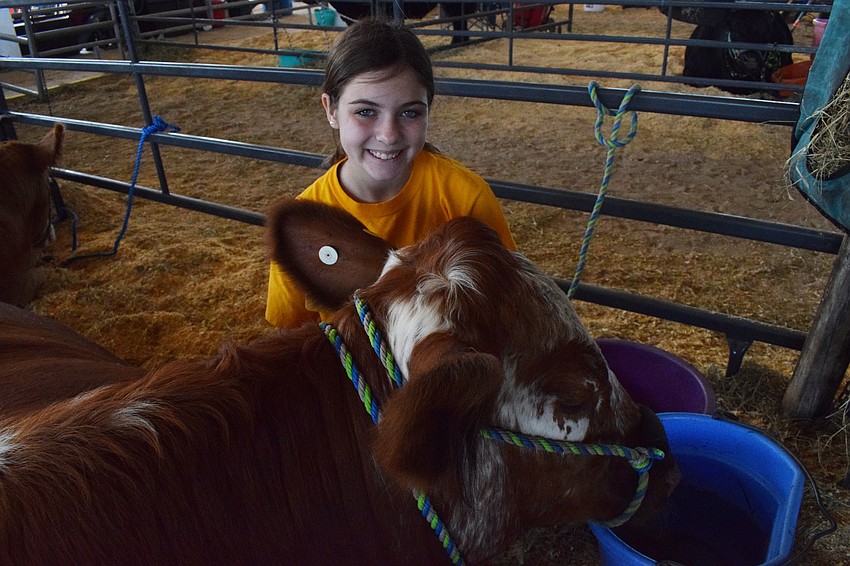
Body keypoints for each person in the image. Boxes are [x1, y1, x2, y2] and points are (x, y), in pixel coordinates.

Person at [266, 18, 516, 328]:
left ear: (428, 110)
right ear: (331, 110)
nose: (388, 135)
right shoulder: (303, 224)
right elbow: (290, 334)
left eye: (410, 112)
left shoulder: (464, 197)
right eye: (366, 112)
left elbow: (509, 310)